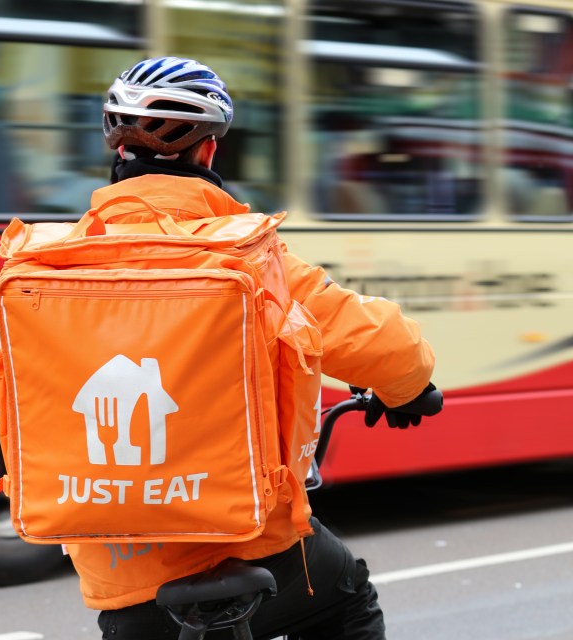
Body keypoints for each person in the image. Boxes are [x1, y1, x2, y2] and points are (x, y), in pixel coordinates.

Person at [64, 56, 437, 640]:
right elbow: (380, 343)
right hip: (253, 546)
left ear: (115, 147)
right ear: (210, 151)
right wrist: (409, 390)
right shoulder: (249, 259)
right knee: (348, 602)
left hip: (121, 578)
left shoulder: (54, 266)